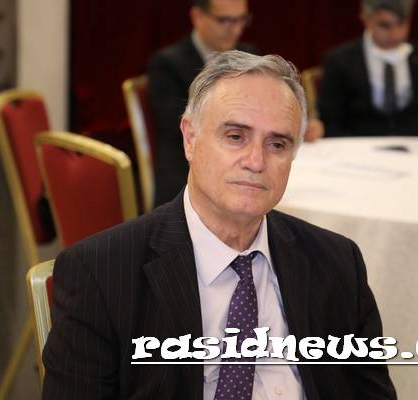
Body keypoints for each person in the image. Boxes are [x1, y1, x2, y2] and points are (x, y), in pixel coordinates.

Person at [42, 51, 396, 399]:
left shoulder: (337, 264)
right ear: (190, 138)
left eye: (277, 144)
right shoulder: (103, 273)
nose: (256, 161)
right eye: (235, 137)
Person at [148, 0, 256, 207]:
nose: (236, 29)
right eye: (224, 20)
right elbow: (176, 126)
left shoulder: (250, 56)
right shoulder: (167, 63)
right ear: (197, 17)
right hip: (185, 168)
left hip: (242, 159)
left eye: (241, 20)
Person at [317, 0, 418, 137]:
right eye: (384, 25)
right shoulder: (340, 61)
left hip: (417, 145)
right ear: (366, 19)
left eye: (401, 24)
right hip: (358, 144)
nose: (395, 34)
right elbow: (330, 121)